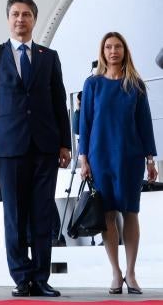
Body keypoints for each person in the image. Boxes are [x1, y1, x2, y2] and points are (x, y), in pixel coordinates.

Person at [0, 0, 71, 298]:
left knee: (42, 213)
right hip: (9, 146)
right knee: (15, 216)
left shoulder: (48, 56)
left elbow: (59, 101)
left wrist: (65, 143)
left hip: (45, 145)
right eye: (15, 14)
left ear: (34, 20)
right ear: (8, 19)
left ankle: (41, 278)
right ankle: (21, 277)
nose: (21, 19)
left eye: (27, 14)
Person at [78, 32, 158, 295]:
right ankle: (116, 273)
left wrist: (151, 158)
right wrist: (83, 158)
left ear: (125, 51)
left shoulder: (135, 84)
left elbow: (145, 124)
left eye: (118, 47)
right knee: (108, 214)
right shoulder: (92, 84)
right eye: (109, 47)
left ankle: (132, 273)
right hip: (100, 156)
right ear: (103, 51)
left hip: (130, 156)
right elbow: (85, 123)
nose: (113, 51)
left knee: (130, 212)